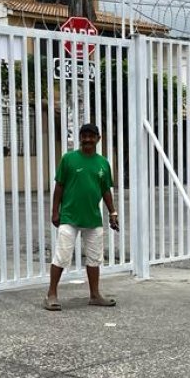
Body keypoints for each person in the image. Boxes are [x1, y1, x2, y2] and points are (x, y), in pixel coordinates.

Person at [45, 123, 119, 311]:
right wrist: (55, 211)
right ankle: (51, 295)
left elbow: (106, 190)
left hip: (93, 218)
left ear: (98, 139)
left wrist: (113, 212)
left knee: (94, 258)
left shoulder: (103, 163)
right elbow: (59, 186)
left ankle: (95, 295)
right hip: (69, 217)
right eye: (84, 136)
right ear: (80, 138)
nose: (87, 139)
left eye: (91, 136)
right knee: (62, 256)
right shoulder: (69, 159)